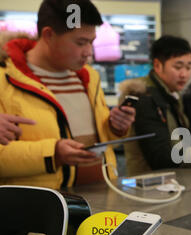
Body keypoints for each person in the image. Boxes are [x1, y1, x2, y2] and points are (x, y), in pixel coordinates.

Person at [0, 0, 135, 189]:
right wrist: (53, 154)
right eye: (81, 42)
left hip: (103, 194)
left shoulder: (89, 77)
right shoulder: (5, 79)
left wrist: (114, 126)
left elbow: (98, 136)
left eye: (91, 42)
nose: (89, 52)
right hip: (42, 205)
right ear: (48, 35)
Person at [121, 35, 191, 176]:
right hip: (149, 186)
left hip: (173, 180)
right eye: (178, 67)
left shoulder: (173, 94)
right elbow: (161, 158)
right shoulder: (144, 97)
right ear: (157, 65)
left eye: (188, 67)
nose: (184, 74)